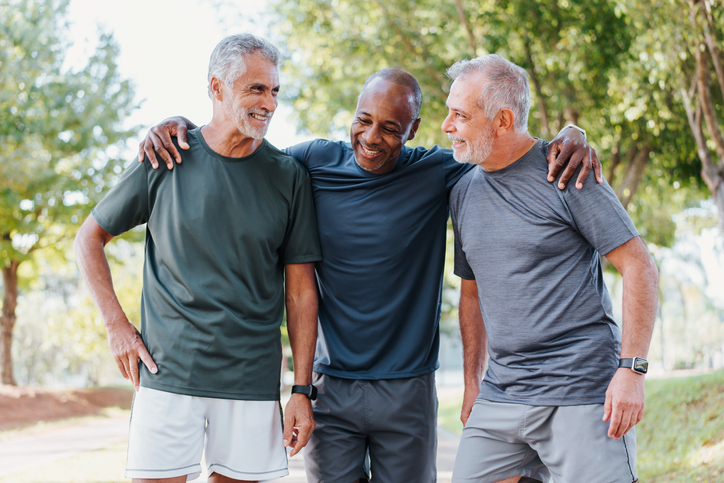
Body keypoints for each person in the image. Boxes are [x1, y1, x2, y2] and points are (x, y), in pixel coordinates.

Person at [139, 68, 599, 482]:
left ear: (414, 129)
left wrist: (571, 133)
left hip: (408, 389)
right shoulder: (313, 161)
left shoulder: (439, 171)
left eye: (391, 127)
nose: (371, 136)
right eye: (363, 119)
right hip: (329, 387)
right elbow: (242, 150)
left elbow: (503, 149)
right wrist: (181, 126)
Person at [74, 34, 322, 483]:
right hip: (167, 373)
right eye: (255, 89)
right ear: (217, 88)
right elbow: (88, 238)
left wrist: (301, 390)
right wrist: (117, 327)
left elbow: (302, 293)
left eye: (275, 90)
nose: (269, 103)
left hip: (251, 381)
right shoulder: (166, 155)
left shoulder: (289, 177)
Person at [444, 54, 658, 483]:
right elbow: (473, 290)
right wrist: (472, 381)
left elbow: (639, 266)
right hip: (501, 396)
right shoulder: (463, 191)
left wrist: (632, 371)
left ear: (503, 121)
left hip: (580, 391)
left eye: (460, 116)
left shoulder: (568, 172)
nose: (446, 125)